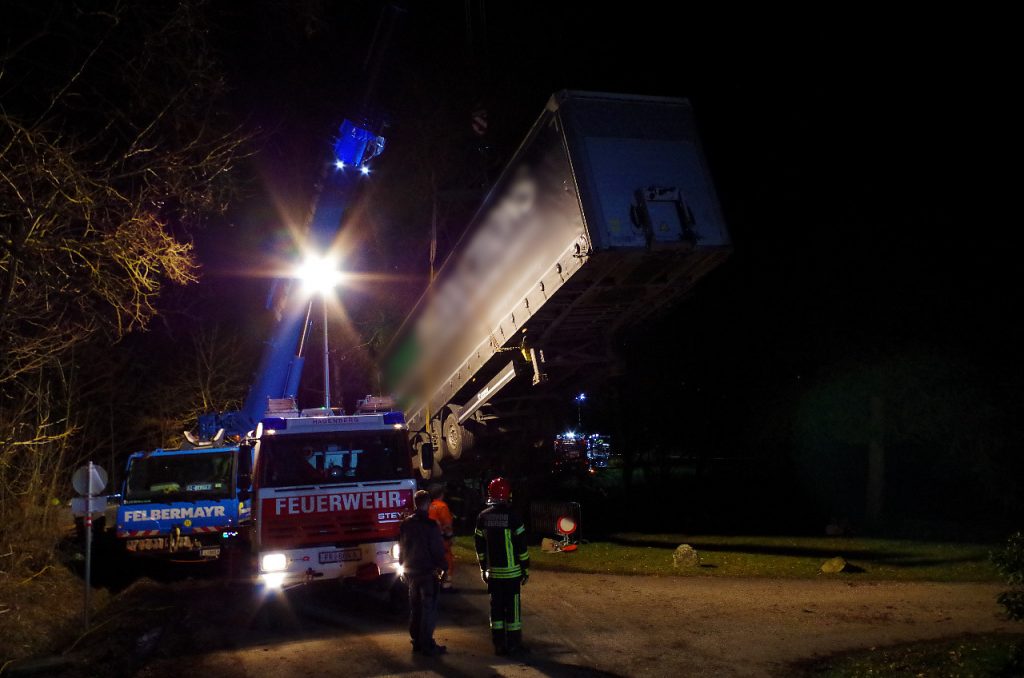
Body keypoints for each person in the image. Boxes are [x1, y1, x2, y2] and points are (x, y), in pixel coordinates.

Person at [474, 477, 530, 655]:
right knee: (512, 610)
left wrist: (483, 568)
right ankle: (514, 644)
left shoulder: (483, 517)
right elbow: (522, 547)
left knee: (496, 609)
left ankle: (499, 644)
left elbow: (480, 547)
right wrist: (525, 569)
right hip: (512, 574)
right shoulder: (513, 517)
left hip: (494, 574)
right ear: (507, 494)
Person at [399, 489, 448, 656]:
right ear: (428, 504)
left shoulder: (406, 524)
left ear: (415, 503)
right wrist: (444, 567)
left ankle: (417, 641)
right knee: (428, 607)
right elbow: (437, 549)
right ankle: (427, 644)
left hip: (411, 571)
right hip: (427, 572)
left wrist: (402, 567)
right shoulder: (431, 525)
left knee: (415, 607)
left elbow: (402, 547)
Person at [427, 483, 455, 590]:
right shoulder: (442, 506)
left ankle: (434, 583)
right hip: (441, 539)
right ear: (441, 494)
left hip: (430, 540)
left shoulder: (428, 505)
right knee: (448, 561)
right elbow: (447, 525)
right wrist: (450, 536)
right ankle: (446, 585)